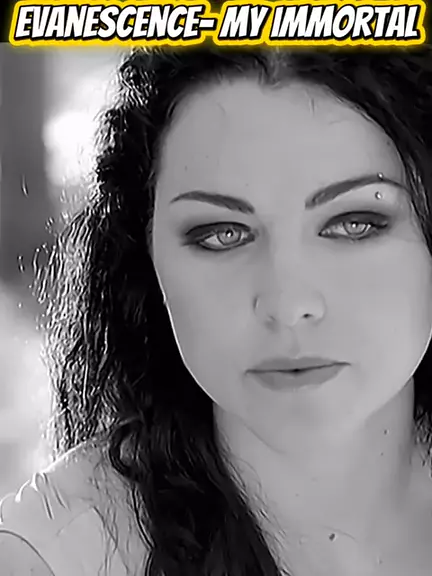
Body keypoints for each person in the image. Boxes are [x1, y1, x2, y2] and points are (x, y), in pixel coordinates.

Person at [2, 43, 432, 576]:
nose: (288, 305)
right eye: (223, 234)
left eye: (354, 223)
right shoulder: (45, 559)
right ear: (146, 261)